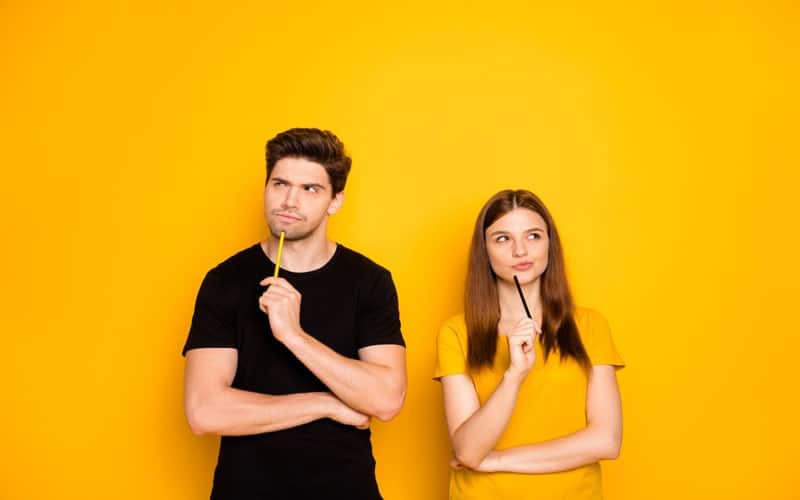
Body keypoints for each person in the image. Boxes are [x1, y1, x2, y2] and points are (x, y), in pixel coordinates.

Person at [182, 128, 407, 500]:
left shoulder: (370, 281)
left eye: (310, 189)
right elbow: (204, 411)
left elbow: (385, 400)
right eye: (280, 184)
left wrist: (294, 336)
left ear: (335, 201)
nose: (289, 200)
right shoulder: (225, 281)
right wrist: (325, 404)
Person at [434, 189, 624, 499]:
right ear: (484, 251)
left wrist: (496, 460)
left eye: (533, 236)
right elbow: (468, 450)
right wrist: (514, 376)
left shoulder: (590, 326)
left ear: (550, 244)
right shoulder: (457, 333)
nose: (520, 251)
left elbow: (606, 440)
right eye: (503, 239)